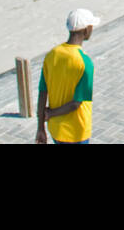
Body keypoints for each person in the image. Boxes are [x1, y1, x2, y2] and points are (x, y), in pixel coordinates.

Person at [37, 8, 98, 145]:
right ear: (86, 30)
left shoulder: (52, 55)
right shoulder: (85, 63)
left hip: (56, 129)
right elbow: (77, 103)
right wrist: (51, 113)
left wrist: (40, 127)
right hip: (76, 131)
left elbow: (42, 92)